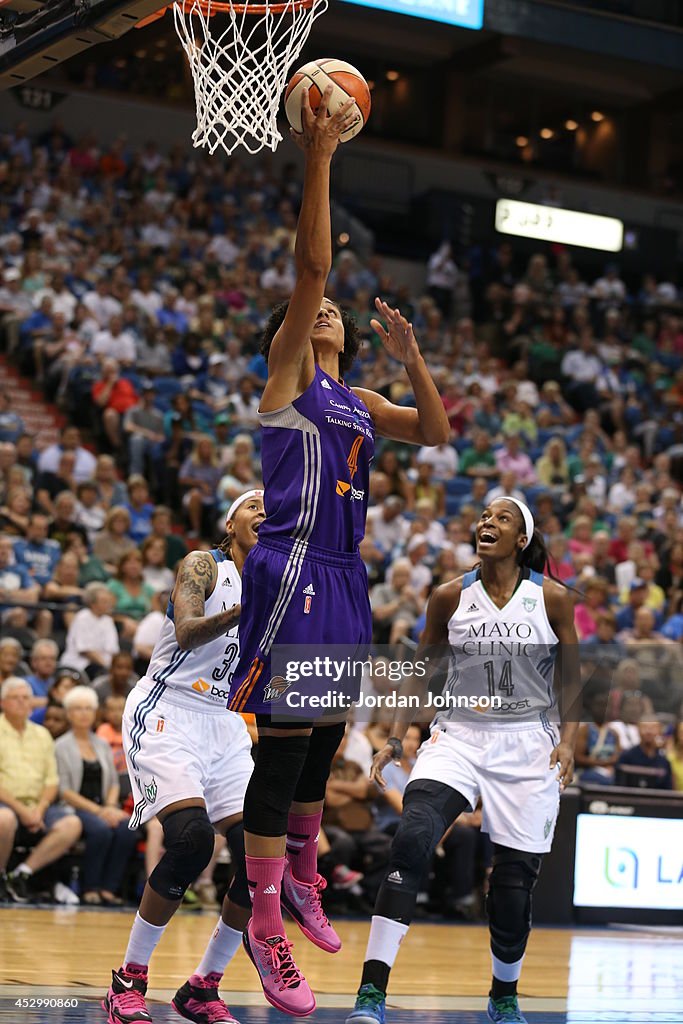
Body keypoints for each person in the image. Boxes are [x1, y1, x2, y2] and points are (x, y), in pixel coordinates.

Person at [225, 88, 449, 1017]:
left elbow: (433, 432)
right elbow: (312, 263)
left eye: (324, 315)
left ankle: (306, 878)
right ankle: (265, 923)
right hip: (291, 571)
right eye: (305, 312)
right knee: (280, 760)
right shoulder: (289, 381)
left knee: (319, 742)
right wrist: (318, 155)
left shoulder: (358, 402)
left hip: (345, 579)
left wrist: (412, 359)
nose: (317, 312)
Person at [346, 497, 579, 1024]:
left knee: (514, 886)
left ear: (522, 540)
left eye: (501, 519)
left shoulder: (554, 600)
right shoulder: (450, 596)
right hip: (458, 738)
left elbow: (572, 676)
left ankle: (503, 995)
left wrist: (568, 742)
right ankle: (371, 992)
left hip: (527, 746)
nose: (486, 523)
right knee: (411, 838)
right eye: (483, 517)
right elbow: (421, 668)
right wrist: (397, 736)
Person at [103, 490, 264, 1024]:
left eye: (271, 506)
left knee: (259, 859)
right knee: (193, 841)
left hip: (224, 721)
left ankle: (203, 986)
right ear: (229, 522)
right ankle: (129, 978)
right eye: (252, 505)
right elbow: (190, 631)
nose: (264, 511)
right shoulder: (204, 564)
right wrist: (249, 609)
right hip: (168, 706)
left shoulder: (283, 585)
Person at [0, 676, 83, 904]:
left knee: (71, 823)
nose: (22, 702)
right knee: (4, 818)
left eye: (26, 698)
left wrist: (40, 808)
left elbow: (51, 781)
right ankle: (0, 877)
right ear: (3, 702)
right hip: (7, 804)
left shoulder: (42, 734)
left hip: (38, 805)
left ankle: (21, 874)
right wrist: (22, 810)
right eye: (15, 698)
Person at [55, 686, 138, 905]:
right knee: (101, 830)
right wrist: (101, 812)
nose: (84, 713)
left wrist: (110, 807)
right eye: (78, 709)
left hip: (104, 806)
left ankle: (109, 888)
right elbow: (65, 791)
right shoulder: (61, 746)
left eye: (88, 709)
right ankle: (90, 887)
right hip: (75, 808)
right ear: (69, 714)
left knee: (127, 828)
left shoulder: (101, 744)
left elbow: (112, 781)